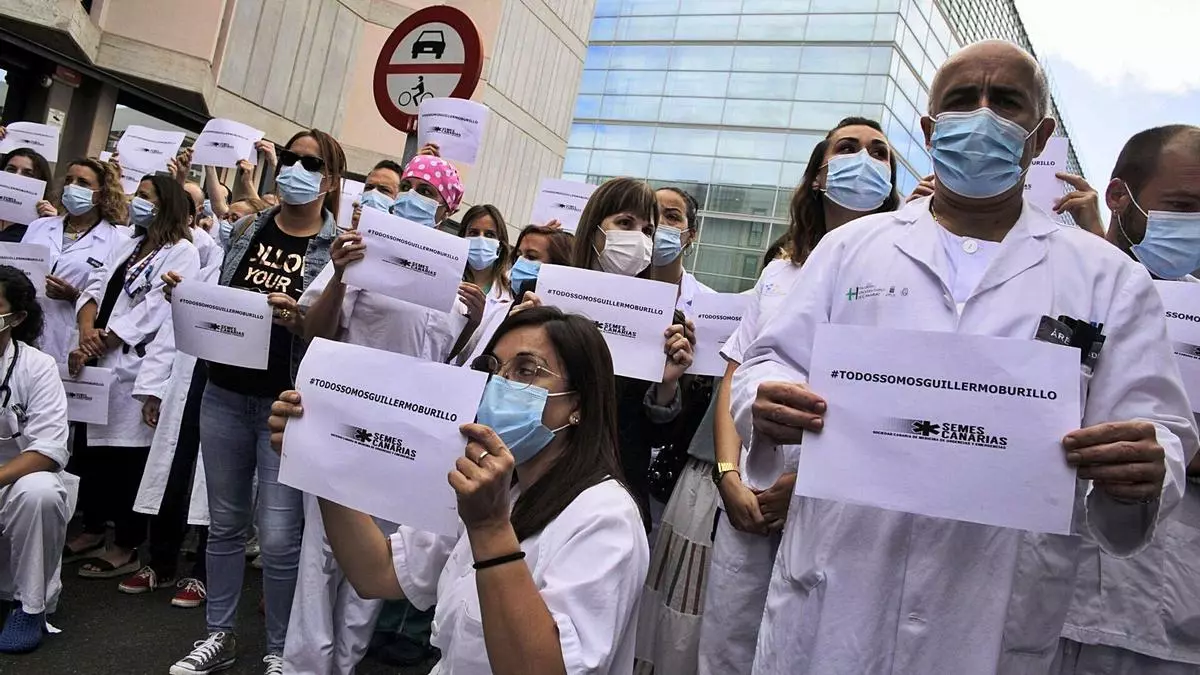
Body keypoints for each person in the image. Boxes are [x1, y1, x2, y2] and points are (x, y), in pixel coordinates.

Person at [730, 40, 1196, 674]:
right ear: (929, 131)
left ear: (1039, 135)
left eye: (1005, 102)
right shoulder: (850, 249)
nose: (982, 116)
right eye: (961, 101)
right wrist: (766, 399)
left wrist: (1146, 465)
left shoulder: (1107, 278)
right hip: (836, 592)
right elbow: (768, 360)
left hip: (994, 613)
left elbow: (1159, 427)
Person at [268, 306, 649, 674]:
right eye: (494, 369)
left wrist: (490, 528)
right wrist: (321, 464)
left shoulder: (604, 517)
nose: (501, 385)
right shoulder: (497, 488)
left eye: (527, 370)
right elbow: (377, 571)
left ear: (578, 404)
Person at [697, 116, 902, 675]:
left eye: (879, 153)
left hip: (843, 507)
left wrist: (813, 485)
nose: (864, 159)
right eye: (848, 148)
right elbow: (735, 376)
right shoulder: (778, 273)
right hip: (753, 500)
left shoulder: (907, 279)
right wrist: (728, 475)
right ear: (818, 176)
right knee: (730, 649)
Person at [284, 152, 469, 675]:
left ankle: (344, 665)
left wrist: (474, 323)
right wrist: (341, 275)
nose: (410, 197)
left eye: (426, 192)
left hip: (404, 436)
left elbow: (449, 367)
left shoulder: (456, 287)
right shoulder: (360, 253)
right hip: (340, 421)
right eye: (407, 185)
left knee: (378, 555)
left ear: (445, 209)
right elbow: (313, 330)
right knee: (320, 556)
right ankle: (304, 667)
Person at [167, 128, 344, 675]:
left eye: (310, 164)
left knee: (279, 537)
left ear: (330, 180)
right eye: (290, 158)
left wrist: (298, 320)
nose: (295, 170)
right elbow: (220, 302)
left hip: (284, 407)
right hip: (222, 392)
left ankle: (279, 650)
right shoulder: (247, 228)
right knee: (224, 524)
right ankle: (218, 635)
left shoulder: (335, 250)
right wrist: (190, 299)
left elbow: (330, 334)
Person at [1056, 124, 1200, 675]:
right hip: (1048, 599)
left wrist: (1174, 455)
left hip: (1168, 616)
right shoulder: (1054, 283)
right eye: (1183, 206)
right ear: (1119, 196)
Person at [66, 174, 199, 580]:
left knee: (128, 460)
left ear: (165, 205)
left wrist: (105, 339)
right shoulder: (128, 242)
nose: (135, 200)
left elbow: (158, 308)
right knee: (93, 453)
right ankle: (93, 530)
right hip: (98, 358)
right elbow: (94, 287)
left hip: (132, 364)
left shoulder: (182, 252)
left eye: (144, 196)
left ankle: (125, 544)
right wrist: (87, 331)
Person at [554, 177, 695, 530]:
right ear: (595, 227)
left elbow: (656, 436)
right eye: (625, 223)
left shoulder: (664, 321)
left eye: (647, 231)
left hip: (615, 498)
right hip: (544, 480)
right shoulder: (549, 299)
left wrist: (667, 385)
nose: (638, 239)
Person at [0, 266, 72, 654]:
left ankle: (28, 609)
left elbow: (47, 450)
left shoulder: (37, 366)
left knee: (41, 493)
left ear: (16, 318)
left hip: (14, 481)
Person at [20, 158, 127, 368]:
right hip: (24, 330)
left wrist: (75, 295)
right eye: (69, 180)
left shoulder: (118, 242)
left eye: (83, 183)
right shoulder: (39, 227)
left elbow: (114, 305)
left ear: (102, 194)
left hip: (69, 338)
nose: (72, 187)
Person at [452, 205, 514, 363]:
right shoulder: (447, 281)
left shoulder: (510, 295)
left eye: (489, 235)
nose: (481, 239)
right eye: (473, 233)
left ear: (500, 245)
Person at [0, 146, 58, 241]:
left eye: (27, 173)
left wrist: (54, 226)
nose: (17, 176)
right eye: (11, 170)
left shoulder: (43, 222)